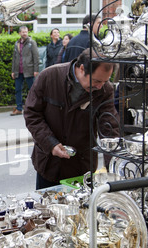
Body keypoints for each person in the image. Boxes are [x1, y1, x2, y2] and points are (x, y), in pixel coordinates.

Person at [24, 48, 120, 189]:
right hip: (49, 164)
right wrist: (50, 144)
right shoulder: (49, 77)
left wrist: (113, 170)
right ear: (82, 68)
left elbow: (109, 128)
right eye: (97, 81)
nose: (100, 86)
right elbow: (32, 114)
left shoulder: (105, 90)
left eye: (105, 81)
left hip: (82, 167)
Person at [11, 25, 39, 116]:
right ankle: (19, 108)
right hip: (18, 71)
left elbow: (36, 57)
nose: (25, 33)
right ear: (19, 33)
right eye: (23, 32)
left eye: (26, 32)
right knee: (18, 90)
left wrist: (36, 70)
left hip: (29, 70)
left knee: (32, 90)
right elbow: (14, 58)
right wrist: (13, 71)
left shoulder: (32, 43)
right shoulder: (17, 43)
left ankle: (34, 108)